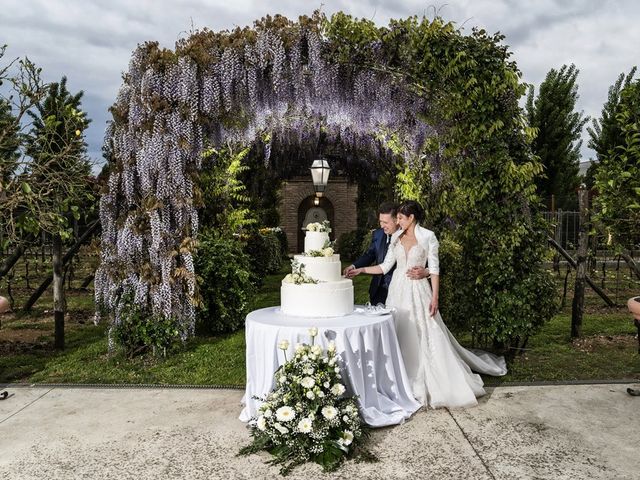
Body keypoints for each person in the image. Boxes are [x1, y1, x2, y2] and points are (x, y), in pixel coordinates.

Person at [348, 200, 507, 409]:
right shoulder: (395, 237)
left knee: (423, 333)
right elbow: (386, 266)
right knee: (398, 333)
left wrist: (435, 298)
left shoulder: (428, 237)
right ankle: (398, 381)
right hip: (397, 291)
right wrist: (361, 270)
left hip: (418, 291)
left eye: (400, 218)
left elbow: (434, 269)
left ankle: (427, 381)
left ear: (411, 218)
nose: (397, 221)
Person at [343, 202, 428, 305]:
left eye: (385, 222)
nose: (382, 226)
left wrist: (426, 272)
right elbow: (370, 255)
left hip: (405, 290)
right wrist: (355, 266)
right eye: (380, 222)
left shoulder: (416, 236)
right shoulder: (378, 234)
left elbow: (426, 263)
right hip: (379, 289)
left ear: (397, 220)